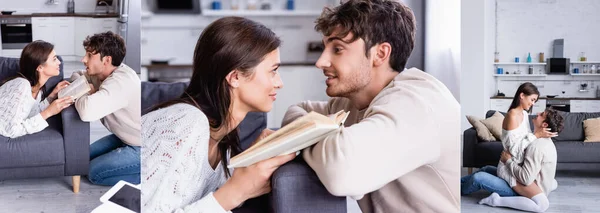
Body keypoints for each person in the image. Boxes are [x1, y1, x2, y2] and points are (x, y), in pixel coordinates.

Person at [281, 0, 460, 212]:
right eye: (324, 47)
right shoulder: (351, 102)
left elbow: (341, 172)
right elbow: (296, 110)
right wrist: (320, 136)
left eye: (337, 49)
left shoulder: (417, 104)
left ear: (381, 54)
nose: (320, 62)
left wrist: (304, 137)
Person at [141, 17, 296, 213]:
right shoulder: (187, 123)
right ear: (235, 77)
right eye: (273, 71)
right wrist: (237, 191)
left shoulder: (223, 140)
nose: (279, 82)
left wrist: (249, 162)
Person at [70, 31, 141, 186]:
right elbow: (76, 75)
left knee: (93, 173)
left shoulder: (120, 83)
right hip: (122, 137)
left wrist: (84, 90)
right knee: (82, 160)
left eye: (89, 56)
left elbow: (86, 112)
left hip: (141, 145)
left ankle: (151, 175)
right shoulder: (101, 73)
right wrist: (85, 87)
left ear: (106, 60)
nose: (83, 60)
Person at [477, 108, 563, 212]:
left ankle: (496, 200)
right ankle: (493, 195)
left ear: (544, 125)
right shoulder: (541, 140)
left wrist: (508, 161)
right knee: (485, 171)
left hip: (522, 176)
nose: (537, 113)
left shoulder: (537, 146)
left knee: (544, 202)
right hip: (519, 174)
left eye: (542, 115)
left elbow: (526, 179)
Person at [0, 40, 73, 138]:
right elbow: (11, 130)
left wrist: (52, 96)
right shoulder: (22, 85)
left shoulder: (37, 89)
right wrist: (48, 112)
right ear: (40, 68)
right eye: (54, 59)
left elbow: (28, 114)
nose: (59, 62)